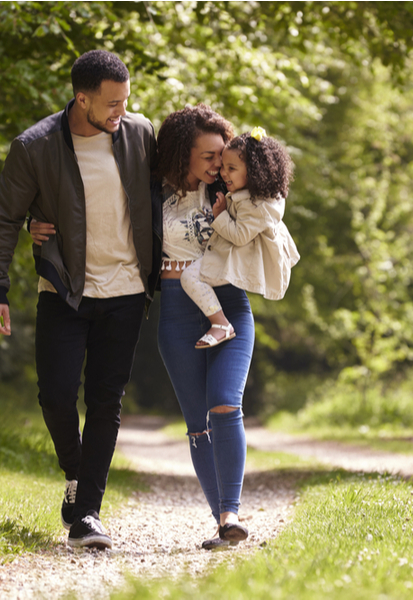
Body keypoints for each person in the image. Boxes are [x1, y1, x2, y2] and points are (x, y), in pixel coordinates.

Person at [0, 50, 157, 550]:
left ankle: (87, 512)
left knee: (106, 400)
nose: (121, 112)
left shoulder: (138, 133)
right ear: (81, 98)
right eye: (111, 104)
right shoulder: (35, 146)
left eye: (125, 102)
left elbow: (167, 193)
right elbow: (5, 218)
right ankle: (77, 471)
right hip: (65, 288)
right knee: (55, 393)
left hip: (128, 290)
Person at [151, 104, 256, 549]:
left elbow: (271, 202)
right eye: (209, 156)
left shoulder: (235, 188)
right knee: (198, 424)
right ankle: (222, 522)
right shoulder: (151, 194)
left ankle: (232, 511)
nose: (219, 164)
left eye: (222, 155)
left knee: (224, 403)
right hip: (177, 308)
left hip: (228, 301)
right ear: (182, 155)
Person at [179, 126, 300, 349]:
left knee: (189, 277)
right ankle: (219, 323)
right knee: (193, 275)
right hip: (233, 256)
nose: (223, 173)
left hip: (243, 259)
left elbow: (239, 235)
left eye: (231, 168)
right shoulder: (252, 196)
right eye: (223, 167)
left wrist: (220, 216)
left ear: (253, 172)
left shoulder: (258, 206)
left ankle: (221, 324)